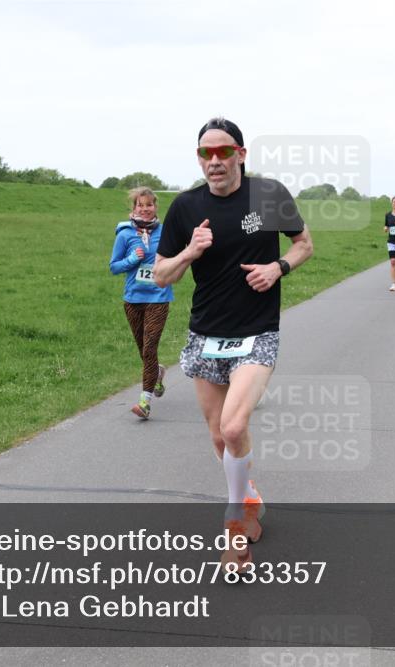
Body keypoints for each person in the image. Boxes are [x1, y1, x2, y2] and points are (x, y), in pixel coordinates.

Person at [154, 117, 313, 573]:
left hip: (257, 330)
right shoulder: (185, 208)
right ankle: (250, 497)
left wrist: (279, 267)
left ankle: (234, 526)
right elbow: (162, 274)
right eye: (206, 153)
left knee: (234, 426)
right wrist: (189, 252)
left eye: (224, 152)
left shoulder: (269, 196)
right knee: (216, 434)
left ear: (241, 154)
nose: (215, 161)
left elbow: (304, 244)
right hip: (206, 335)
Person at [110, 187, 173, 420]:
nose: (145, 209)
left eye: (149, 205)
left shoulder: (166, 233)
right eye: (141, 205)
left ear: (156, 207)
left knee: (149, 348)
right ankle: (157, 373)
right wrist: (131, 259)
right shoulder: (125, 234)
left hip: (159, 297)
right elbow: (114, 266)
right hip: (133, 299)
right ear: (134, 208)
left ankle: (145, 402)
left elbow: (178, 257)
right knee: (144, 351)